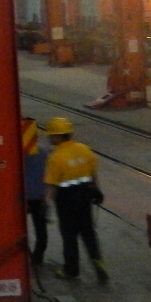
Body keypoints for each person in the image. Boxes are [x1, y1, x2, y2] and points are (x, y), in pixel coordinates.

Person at [42, 116, 108, 283]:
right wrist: (97, 190)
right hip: (85, 198)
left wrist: (46, 206)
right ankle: (98, 261)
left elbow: (52, 187)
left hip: (66, 202)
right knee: (88, 233)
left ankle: (71, 270)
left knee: (69, 237)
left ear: (58, 136)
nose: (49, 138)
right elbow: (93, 174)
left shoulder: (55, 157)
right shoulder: (85, 150)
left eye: (51, 135)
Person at [21, 118, 49, 266]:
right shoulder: (45, 151)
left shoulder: (19, 153)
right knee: (41, 229)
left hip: (24, 196)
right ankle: (38, 258)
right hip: (41, 195)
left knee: (18, 228)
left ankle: (22, 255)